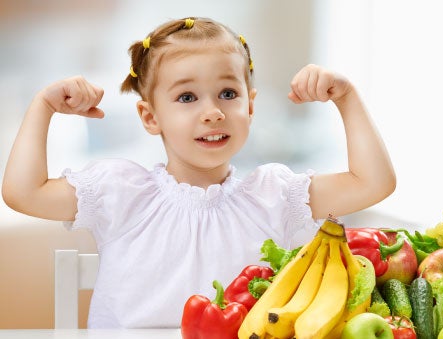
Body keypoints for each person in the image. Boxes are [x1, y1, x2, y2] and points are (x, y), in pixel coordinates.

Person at [2, 17, 396, 328]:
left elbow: (373, 183)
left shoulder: (275, 195)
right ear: (150, 116)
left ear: (251, 106)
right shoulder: (120, 192)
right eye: (187, 97)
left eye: (228, 93)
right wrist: (43, 106)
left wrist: (347, 98)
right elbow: (24, 192)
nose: (213, 111)